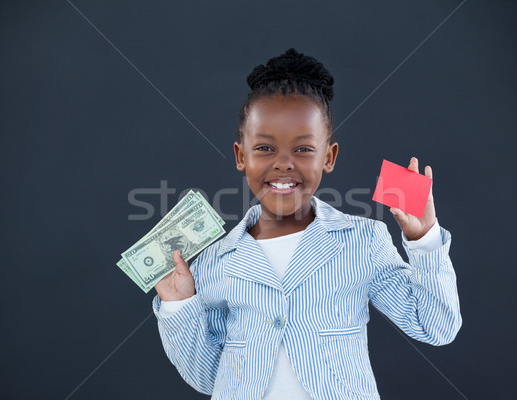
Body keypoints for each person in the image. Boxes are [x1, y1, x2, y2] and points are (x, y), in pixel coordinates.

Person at [151, 48, 461, 400]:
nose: (283, 164)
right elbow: (211, 378)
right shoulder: (215, 260)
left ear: (329, 157)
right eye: (265, 149)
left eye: (303, 150)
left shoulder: (362, 240)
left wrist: (424, 240)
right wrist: (179, 306)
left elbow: (435, 327)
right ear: (241, 156)